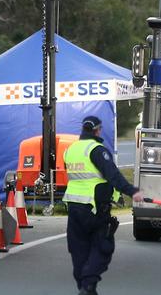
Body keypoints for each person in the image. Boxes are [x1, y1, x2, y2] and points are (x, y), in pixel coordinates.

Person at [63, 116, 144, 295]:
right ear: (97, 130)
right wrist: (132, 192)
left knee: (78, 249)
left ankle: (84, 287)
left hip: (74, 208)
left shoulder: (70, 150)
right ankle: (88, 284)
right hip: (94, 207)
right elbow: (112, 175)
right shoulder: (97, 150)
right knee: (103, 245)